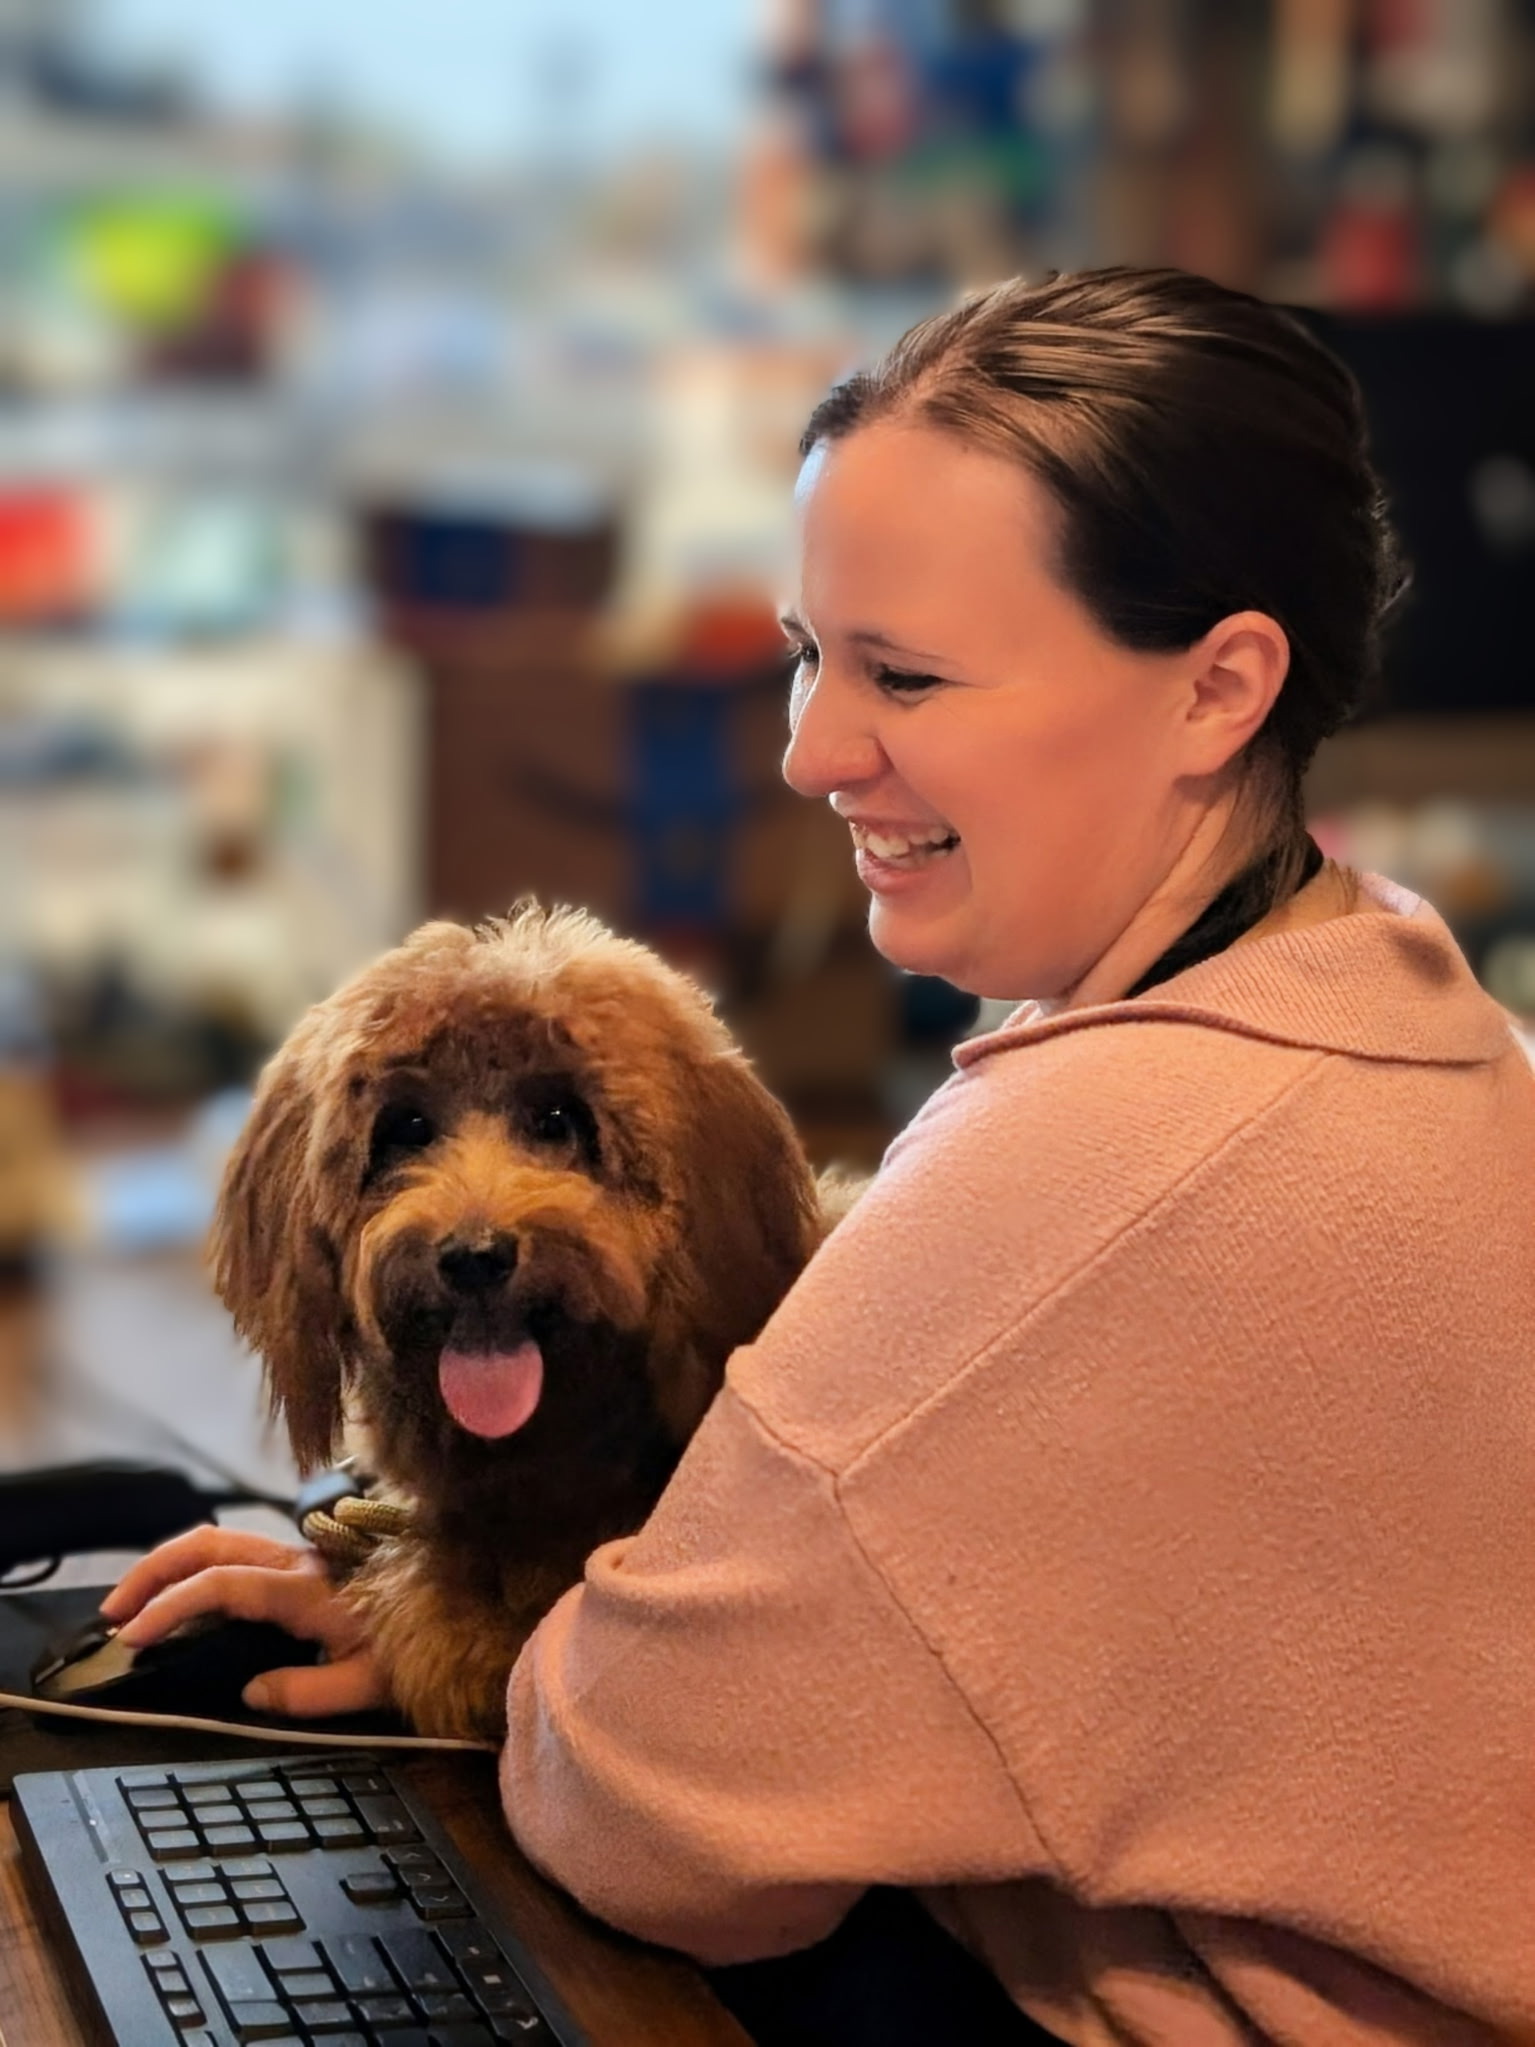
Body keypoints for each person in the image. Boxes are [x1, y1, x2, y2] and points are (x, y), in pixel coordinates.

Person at [104, 267, 1535, 2046]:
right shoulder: (1406, 1004)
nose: (808, 751)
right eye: (808, 653)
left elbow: (661, 1822)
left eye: (905, 675)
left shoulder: (1079, 1177)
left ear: (1218, 689)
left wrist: (431, 1622)